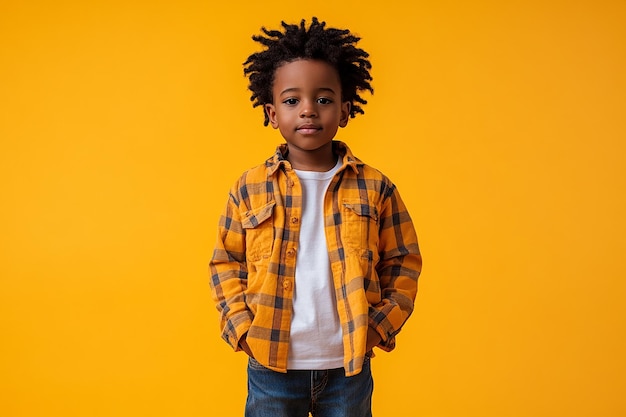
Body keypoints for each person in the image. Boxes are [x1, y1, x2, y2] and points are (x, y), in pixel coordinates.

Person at [209, 17, 422, 417]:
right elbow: (225, 264)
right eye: (292, 101)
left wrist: (379, 326)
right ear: (272, 113)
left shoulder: (375, 187)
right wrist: (242, 330)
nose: (308, 110)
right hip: (271, 363)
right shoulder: (248, 187)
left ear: (345, 110)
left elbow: (404, 262)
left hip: (348, 366)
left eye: (323, 99)